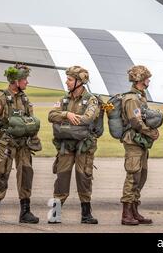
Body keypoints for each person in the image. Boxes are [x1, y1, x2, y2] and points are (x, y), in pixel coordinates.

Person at [0, 63, 41, 224]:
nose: (27, 82)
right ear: (15, 81)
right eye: (24, 79)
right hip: (7, 143)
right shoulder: (0, 98)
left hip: (23, 144)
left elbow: (30, 119)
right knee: (2, 173)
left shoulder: (24, 98)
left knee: (26, 173)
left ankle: (25, 212)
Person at [48, 66, 100, 224]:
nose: (67, 82)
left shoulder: (91, 100)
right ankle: (55, 214)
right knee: (61, 178)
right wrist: (66, 114)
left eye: (70, 79)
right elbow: (51, 115)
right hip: (65, 146)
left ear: (79, 81)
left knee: (83, 177)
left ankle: (86, 214)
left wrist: (64, 123)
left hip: (84, 146)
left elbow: (88, 118)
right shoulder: (64, 99)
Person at [120, 65, 160, 225]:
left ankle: (134, 211)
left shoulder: (140, 96)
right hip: (133, 142)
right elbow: (136, 122)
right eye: (147, 78)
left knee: (141, 177)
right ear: (140, 80)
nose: (149, 80)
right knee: (133, 176)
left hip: (140, 142)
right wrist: (152, 133)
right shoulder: (132, 99)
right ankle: (126, 214)